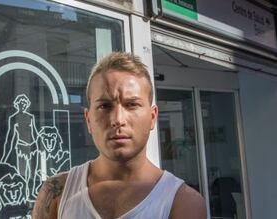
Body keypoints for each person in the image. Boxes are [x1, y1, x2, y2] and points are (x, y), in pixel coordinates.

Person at [32, 52, 207, 219]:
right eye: (105, 106)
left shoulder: (182, 202)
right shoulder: (56, 192)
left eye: (131, 104)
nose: (118, 119)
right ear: (88, 120)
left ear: (152, 117)